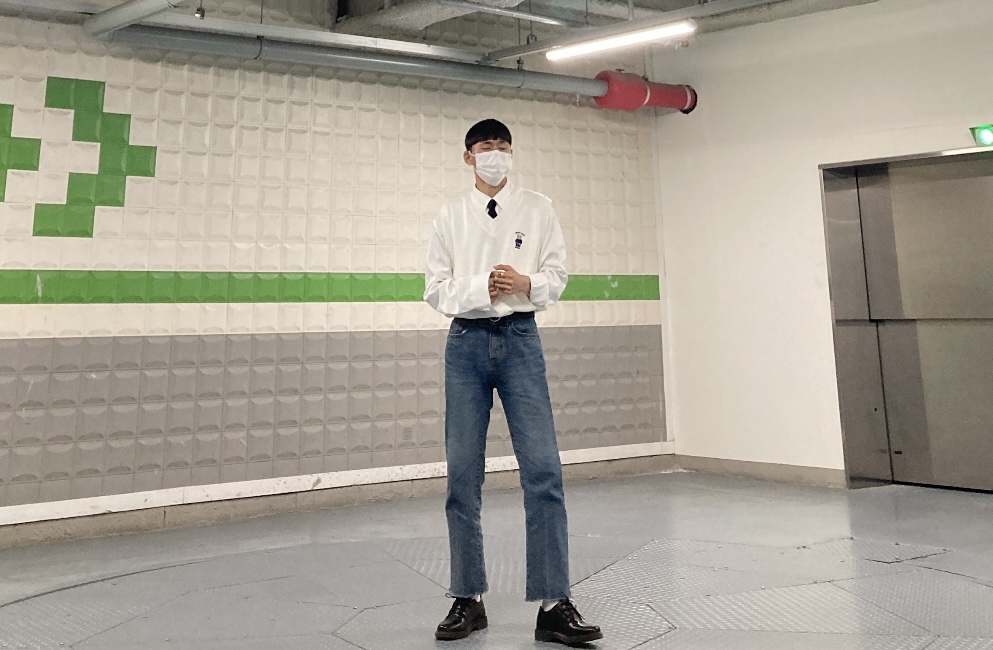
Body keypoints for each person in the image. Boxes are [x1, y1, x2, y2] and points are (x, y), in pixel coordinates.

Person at [423, 118, 603, 646]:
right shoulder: (450, 215)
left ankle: (553, 603)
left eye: (503, 147)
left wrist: (527, 283)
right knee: (462, 474)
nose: (495, 154)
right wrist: (481, 288)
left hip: (521, 339)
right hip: (466, 344)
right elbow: (435, 289)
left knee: (543, 470)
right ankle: (467, 597)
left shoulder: (538, 208)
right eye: (486, 147)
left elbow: (558, 276)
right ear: (468, 157)